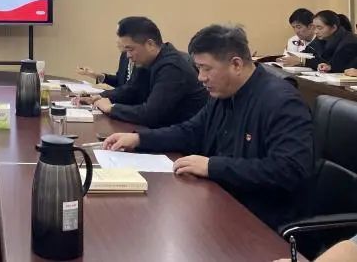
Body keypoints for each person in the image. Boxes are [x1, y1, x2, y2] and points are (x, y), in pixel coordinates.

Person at [103, 24, 313, 229]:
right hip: (219, 200)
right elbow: (191, 131)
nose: (200, 77)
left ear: (236, 65)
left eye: (206, 69)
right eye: (198, 68)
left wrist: (212, 166)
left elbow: (288, 170)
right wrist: (139, 139)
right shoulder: (223, 93)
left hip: (259, 218)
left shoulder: (282, 102)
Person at [83, 16, 208, 128]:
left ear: (150, 44)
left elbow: (151, 114)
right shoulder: (148, 60)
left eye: (130, 49)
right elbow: (131, 90)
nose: (128, 56)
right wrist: (101, 97)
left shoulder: (172, 67)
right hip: (162, 131)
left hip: (182, 138)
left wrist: (112, 108)